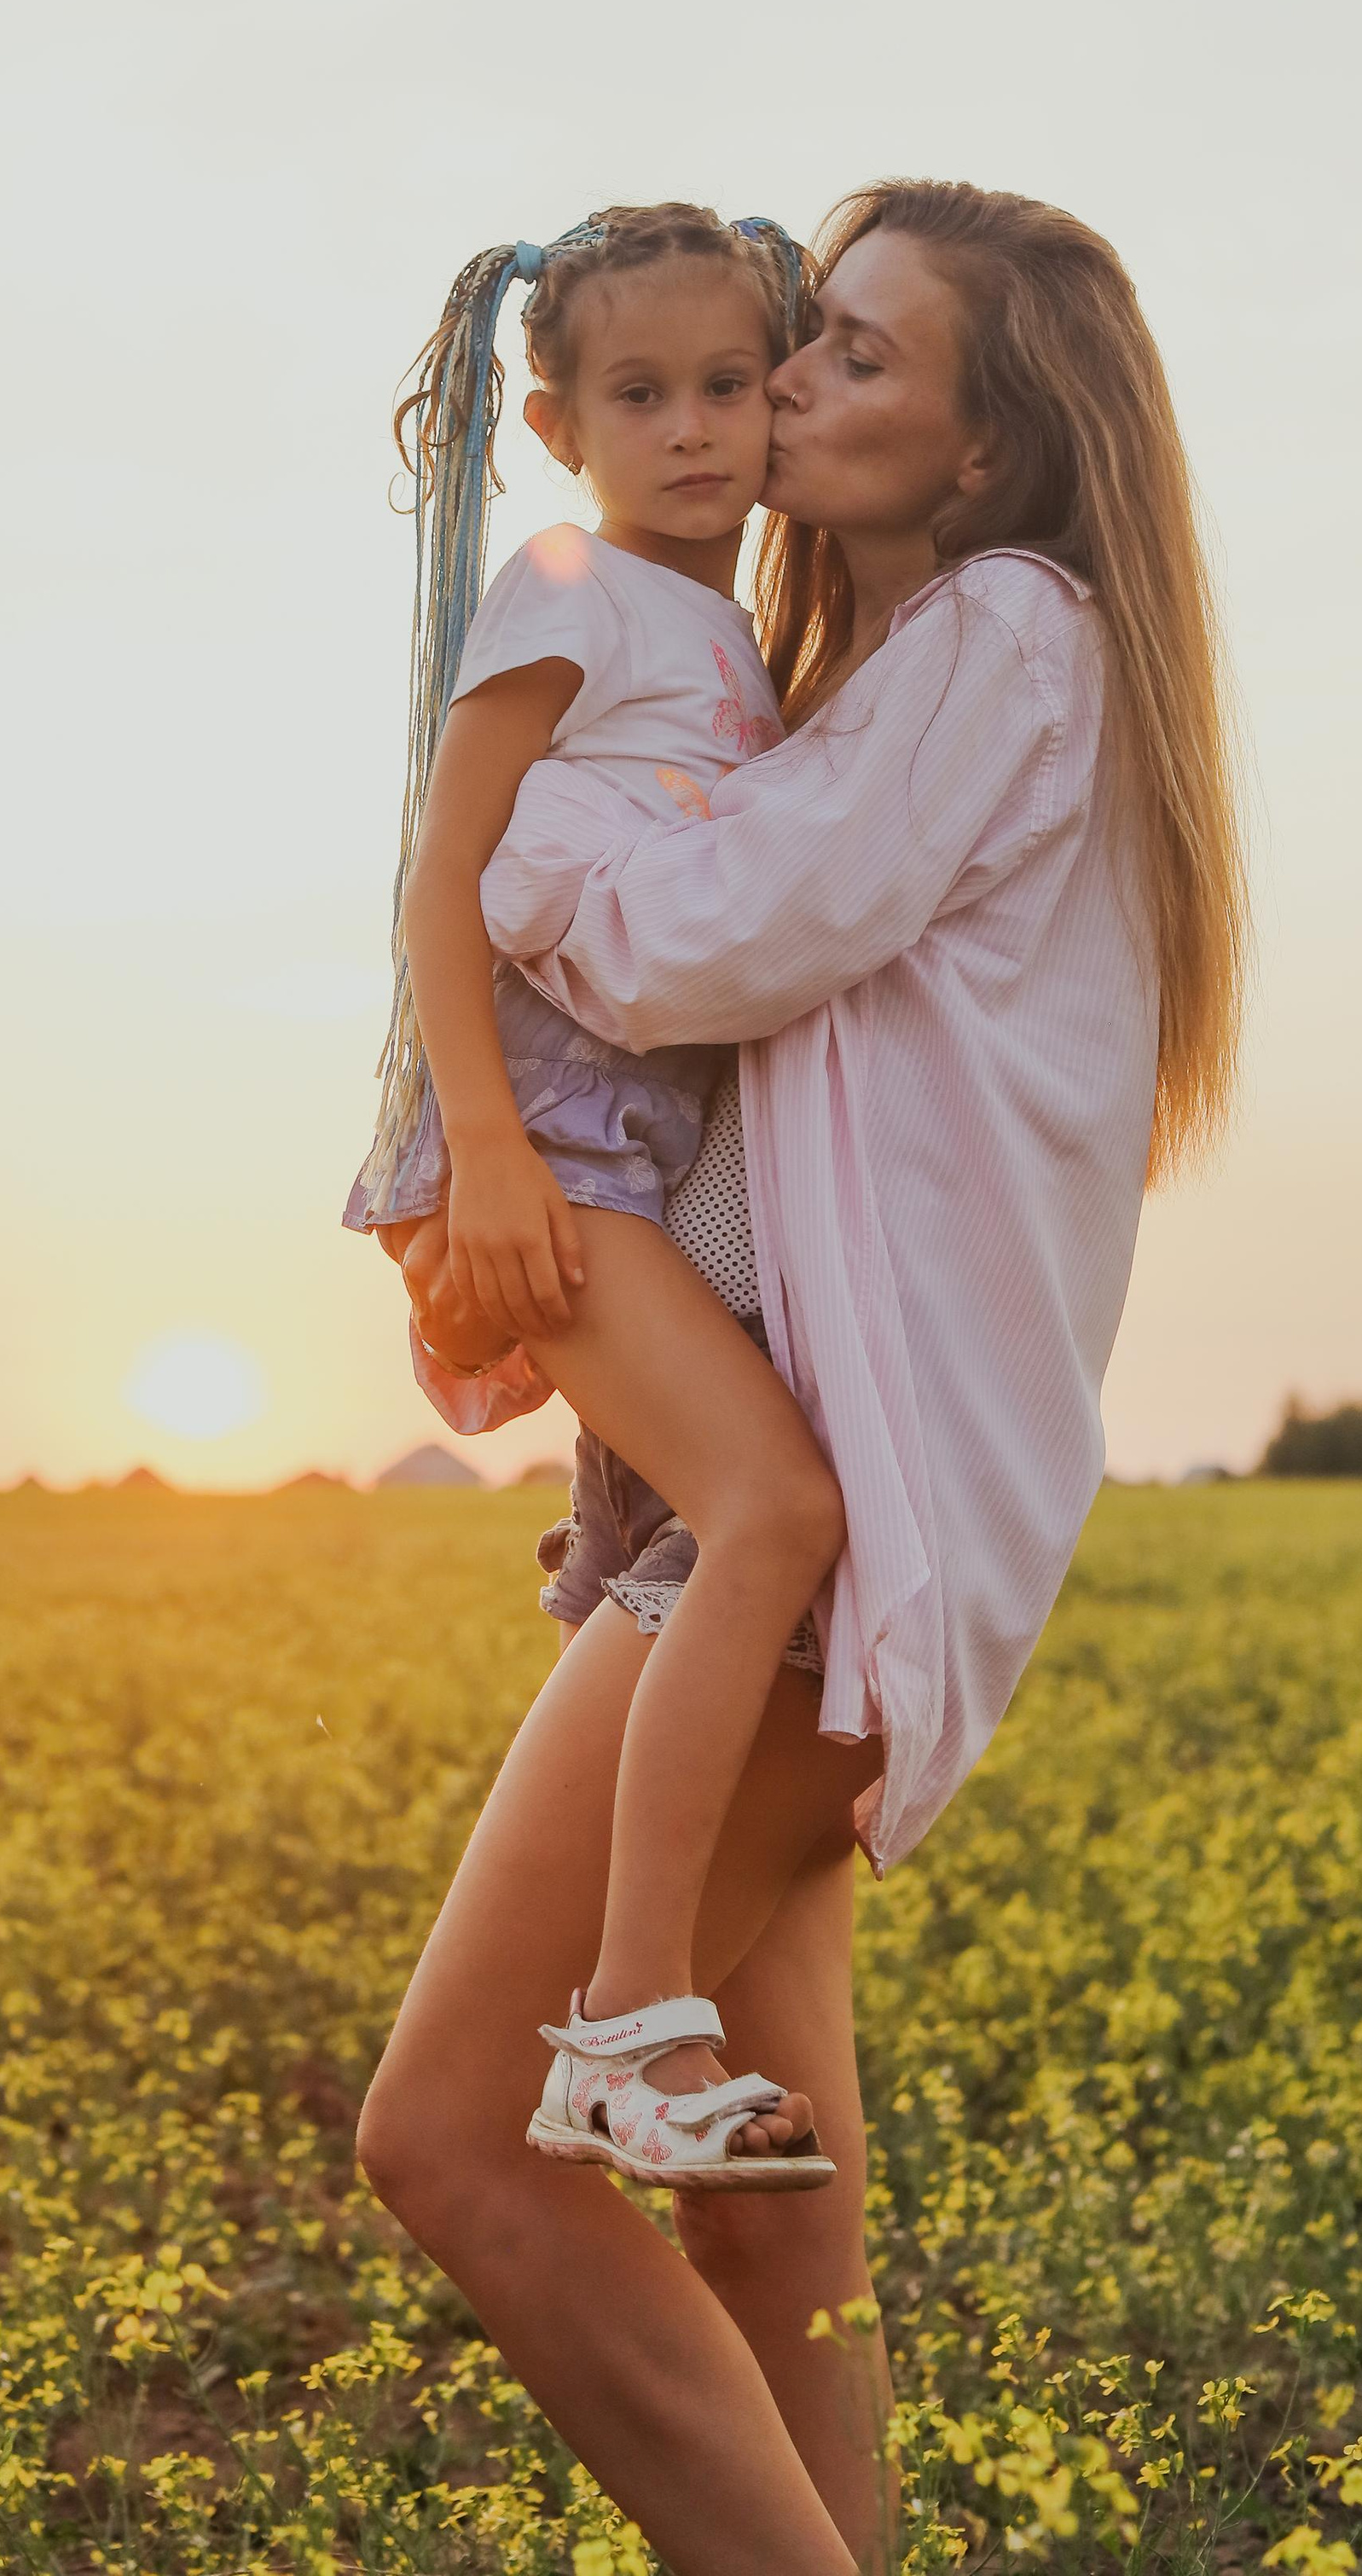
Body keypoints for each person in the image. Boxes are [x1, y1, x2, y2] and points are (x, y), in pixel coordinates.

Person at [355, 181, 1248, 2576]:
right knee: (777, 2239)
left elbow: (716, 940)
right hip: (817, 1505)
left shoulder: (1012, 634)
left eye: (843, 355)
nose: (780, 395)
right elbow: (776, 1096)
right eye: (785, 352)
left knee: (449, 2147)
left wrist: (495, 865)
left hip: (829, 1525)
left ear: (984, 447)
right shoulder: (870, 682)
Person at [345, 200, 853, 2193]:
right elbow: (438, 876)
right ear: (555, 427)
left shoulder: (724, 632)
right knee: (773, 1509)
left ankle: (653, 2006)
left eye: (730, 384)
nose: (696, 427)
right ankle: (629, 2024)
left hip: (622, 1154)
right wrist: (478, 1147)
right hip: (535, 1141)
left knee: (714, 1529)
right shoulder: (569, 581)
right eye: (638, 394)